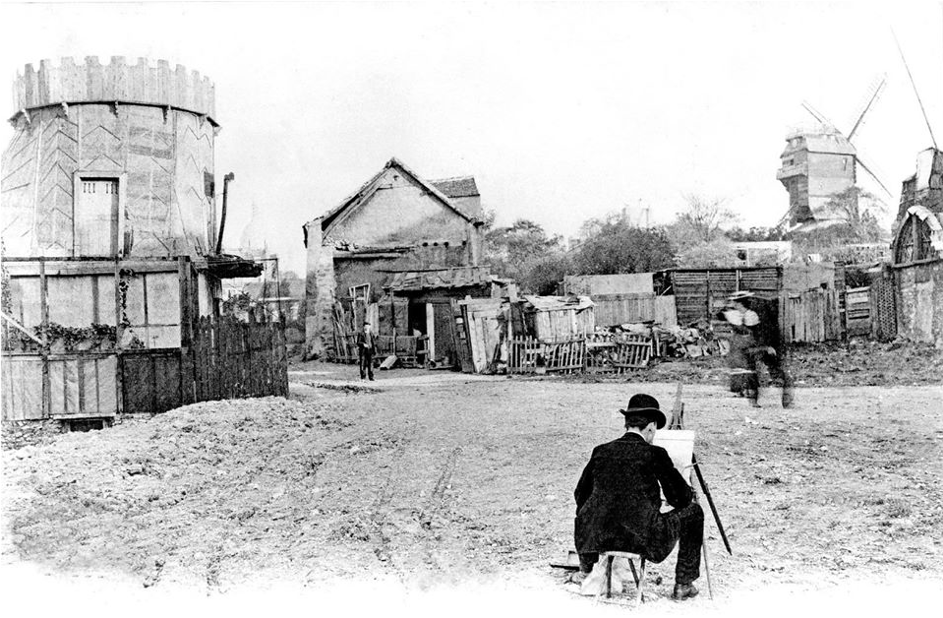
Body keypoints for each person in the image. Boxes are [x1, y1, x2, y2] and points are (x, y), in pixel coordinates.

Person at [574, 393, 703, 601]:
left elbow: (580, 495)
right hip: (641, 541)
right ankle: (684, 583)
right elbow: (681, 499)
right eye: (655, 430)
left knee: (588, 510)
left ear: (628, 424)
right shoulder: (655, 454)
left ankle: (587, 568)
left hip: (597, 540)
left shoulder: (600, 451)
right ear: (651, 427)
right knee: (694, 512)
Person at [721, 291, 793, 408]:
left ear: (740, 303)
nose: (732, 303)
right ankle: (750, 398)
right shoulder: (734, 315)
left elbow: (757, 333)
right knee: (744, 369)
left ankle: (786, 399)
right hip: (741, 346)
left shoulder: (752, 316)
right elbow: (721, 314)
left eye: (735, 302)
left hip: (754, 344)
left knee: (771, 369)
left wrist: (765, 347)